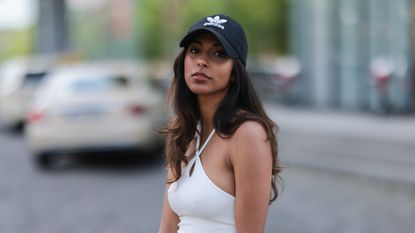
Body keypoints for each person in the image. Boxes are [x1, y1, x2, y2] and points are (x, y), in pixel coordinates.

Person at [158, 13, 282, 233]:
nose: (202, 61)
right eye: (195, 50)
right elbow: (168, 226)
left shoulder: (247, 133)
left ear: (235, 72)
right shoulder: (182, 132)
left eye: (219, 53)